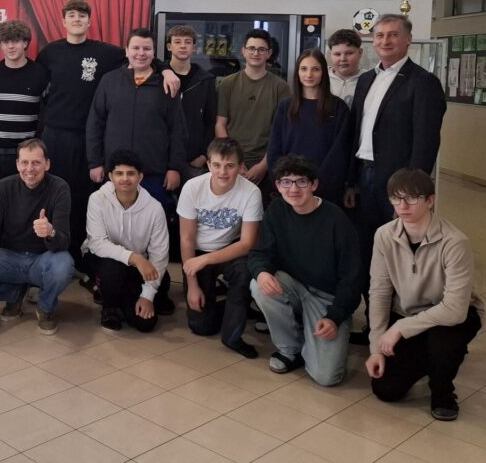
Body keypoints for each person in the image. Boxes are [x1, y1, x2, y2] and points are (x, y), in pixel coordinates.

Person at [38, 0, 179, 264]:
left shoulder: (105, 52)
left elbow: (141, 56)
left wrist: (166, 70)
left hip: (89, 140)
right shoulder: (49, 53)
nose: (77, 19)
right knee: (56, 194)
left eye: (82, 15)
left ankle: (84, 258)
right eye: (71, 15)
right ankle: (54, 252)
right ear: (63, 21)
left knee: (85, 199)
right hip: (56, 136)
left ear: (90, 21)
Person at [347, 14, 446, 340]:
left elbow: (426, 141)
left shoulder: (423, 82)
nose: (385, 41)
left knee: (399, 255)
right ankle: (374, 324)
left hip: (396, 185)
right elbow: (355, 134)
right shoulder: (366, 80)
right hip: (363, 177)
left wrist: (409, 195)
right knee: (366, 253)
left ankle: (401, 329)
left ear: (408, 40)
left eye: (392, 35)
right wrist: (350, 181)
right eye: (379, 35)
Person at [365, 169, 484, 421]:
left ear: (430, 201)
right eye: (396, 198)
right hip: (408, 313)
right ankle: (431, 358)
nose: (402, 206)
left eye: (412, 198)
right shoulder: (384, 235)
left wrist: (400, 329)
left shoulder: (455, 242)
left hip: (452, 317)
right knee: (386, 389)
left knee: (443, 342)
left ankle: (443, 390)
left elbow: (454, 310)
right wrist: (376, 347)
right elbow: (379, 292)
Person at [248, 155, 360, 386]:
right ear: (278, 185)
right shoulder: (277, 210)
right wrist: (262, 272)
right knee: (258, 284)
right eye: (286, 182)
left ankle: (319, 337)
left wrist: (334, 317)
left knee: (327, 377)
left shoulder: (336, 220)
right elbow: (259, 254)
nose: (293, 189)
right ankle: (290, 349)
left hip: (328, 297)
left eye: (301, 182)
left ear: (314, 184)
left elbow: (352, 278)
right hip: (293, 285)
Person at [0, 139, 73, 335]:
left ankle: (45, 307)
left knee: (63, 265)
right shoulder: (3, 187)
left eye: (36, 162)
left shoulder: (60, 188)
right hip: (9, 258)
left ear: (47, 164)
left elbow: (64, 241)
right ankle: (15, 295)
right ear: (17, 164)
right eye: (25, 162)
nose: (30, 169)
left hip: (42, 259)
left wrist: (50, 232)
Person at [177, 137, 262, 358]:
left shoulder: (251, 192)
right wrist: (193, 285)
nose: (222, 172)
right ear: (208, 165)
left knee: (244, 272)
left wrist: (206, 259)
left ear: (241, 167)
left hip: (230, 249)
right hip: (197, 252)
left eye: (230, 166)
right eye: (216, 165)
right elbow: (186, 239)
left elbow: (247, 243)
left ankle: (232, 336)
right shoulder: (192, 187)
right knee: (201, 326)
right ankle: (236, 303)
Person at [86, 27, 187, 210]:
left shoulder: (166, 85)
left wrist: (175, 168)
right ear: (126, 51)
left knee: (153, 224)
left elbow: (177, 129)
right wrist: (95, 162)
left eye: (147, 49)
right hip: (115, 173)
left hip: (154, 174)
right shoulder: (109, 81)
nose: (141, 53)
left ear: (154, 53)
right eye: (136, 48)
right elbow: (95, 124)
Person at [84, 149, 170, 333]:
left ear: (140, 176)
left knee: (146, 323)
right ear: (110, 176)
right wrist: (136, 258)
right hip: (104, 260)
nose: (125, 179)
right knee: (112, 269)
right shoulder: (97, 199)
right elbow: (97, 243)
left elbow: (159, 254)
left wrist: (147, 296)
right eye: (119, 173)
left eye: (131, 173)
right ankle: (109, 307)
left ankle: (127, 297)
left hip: (135, 265)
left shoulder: (154, 208)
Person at [0, 20, 48, 222]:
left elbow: (48, 109)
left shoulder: (40, 74)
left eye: (15, 41)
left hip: (24, 157)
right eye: (6, 42)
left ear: (25, 43)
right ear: (0, 45)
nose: (11, 46)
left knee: (21, 209)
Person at [267, 49, 352, 205]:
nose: (309, 74)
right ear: (297, 72)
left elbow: (340, 153)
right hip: (289, 189)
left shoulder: (338, 108)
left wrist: (314, 183)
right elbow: (274, 149)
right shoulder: (285, 107)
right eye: (304, 69)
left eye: (315, 69)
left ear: (324, 72)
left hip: (326, 190)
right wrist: (287, 182)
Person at [215, 28, 290, 191]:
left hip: (268, 162)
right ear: (243, 51)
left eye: (261, 49)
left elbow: (283, 131)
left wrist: (264, 165)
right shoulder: (227, 84)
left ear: (269, 53)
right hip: (230, 162)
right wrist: (234, 161)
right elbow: (220, 124)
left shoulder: (281, 87)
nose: (256, 53)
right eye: (251, 48)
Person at [166, 25, 217, 182]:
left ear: (194, 48)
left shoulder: (206, 80)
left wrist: (204, 154)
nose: (183, 46)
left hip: (194, 159)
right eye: (177, 42)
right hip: (162, 157)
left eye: (188, 42)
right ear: (169, 46)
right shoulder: (158, 77)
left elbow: (211, 120)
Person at [327, 29, 366, 108]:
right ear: (330, 54)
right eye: (337, 54)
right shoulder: (322, 78)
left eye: (349, 53)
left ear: (360, 52)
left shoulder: (369, 79)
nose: (343, 59)